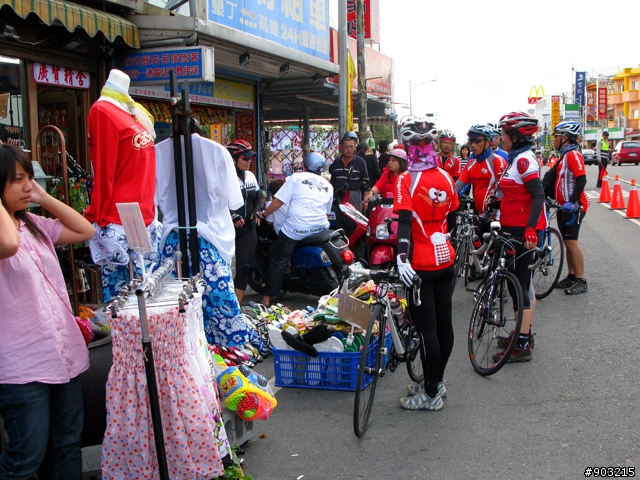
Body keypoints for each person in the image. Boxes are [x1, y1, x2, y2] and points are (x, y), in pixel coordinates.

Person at [0, 144, 96, 479]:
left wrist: (42, 196)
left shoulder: (33, 224)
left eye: (29, 177)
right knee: (26, 455)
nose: (28, 186)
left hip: (61, 354)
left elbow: (86, 230)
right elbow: (8, 246)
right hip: (21, 366)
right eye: (17, 180)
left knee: (67, 444)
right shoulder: (5, 233)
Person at [393, 117, 459, 411]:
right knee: (444, 325)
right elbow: (453, 218)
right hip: (446, 258)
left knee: (427, 330)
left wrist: (401, 258)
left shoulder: (405, 179)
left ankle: (430, 394)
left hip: (420, 265)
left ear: (409, 147)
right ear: (432, 145)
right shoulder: (446, 177)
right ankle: (437, 381)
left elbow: (404, 224)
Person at [83, 69, 160, 302]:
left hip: (143, 214)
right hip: (117, 216)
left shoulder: (131, 110)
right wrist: (97, 213)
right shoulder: (102, 111)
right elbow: (104, 168)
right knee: (122, 298)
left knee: (147, 295)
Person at [493, 111, 546, 363]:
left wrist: (530, 230)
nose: (501, 139)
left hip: (522, 231)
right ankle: (523, 332)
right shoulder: (516, 159)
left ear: (515, 136)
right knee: (525, 284)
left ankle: (522, 344)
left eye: (504, 135)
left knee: (519, 286)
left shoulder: (524, 161)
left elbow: (538, 196)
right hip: (513, 227)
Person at [258, 152, 333, 307]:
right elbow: (327, 210)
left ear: (304, 165)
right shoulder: (328, 185)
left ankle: (267, 298)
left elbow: (278, 201)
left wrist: (263, 214)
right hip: (321, 227)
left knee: (278, 260)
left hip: (296, 229)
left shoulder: (296, 178)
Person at [552, 121, 589, 295]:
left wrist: (572, 202)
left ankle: (581, 280)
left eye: (556, 136)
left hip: (574, 207)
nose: (553, 140)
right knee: (568, 242)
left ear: (565, 138)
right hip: (563, 206)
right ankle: (572, 275)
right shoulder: (564, 155)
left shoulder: (573, 155)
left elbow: (581, 179)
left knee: (572, 243)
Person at [228, 139, 262, 304]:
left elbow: (258, 198)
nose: (249, 162)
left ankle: (237, 308)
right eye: (245, 159)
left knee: (243, 268)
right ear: (234, 159)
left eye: (250, 158)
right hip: (226, 230)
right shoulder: (224, 177)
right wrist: (232, 214)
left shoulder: (250, 176)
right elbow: (216, 202)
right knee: (224, 270)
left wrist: (257, 211)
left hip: (248, 229)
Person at [456, 125, 508, 227]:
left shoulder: (497, 161)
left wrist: (492, 211)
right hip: (479, 216)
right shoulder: (471, 164)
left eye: (477, 141)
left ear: (488, 142)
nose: (473, 145)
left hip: (497, 217)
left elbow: (503, 189)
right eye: (471, 141)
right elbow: (457, 187)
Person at [329, 132, 370, 213]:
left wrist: (365, 201)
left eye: (351, 147)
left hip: (354, 196)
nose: (349, 149)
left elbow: (365, 183)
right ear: (341, 147)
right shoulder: (336, 162)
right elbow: (332, 182)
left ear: (355, 147)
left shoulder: (360, 162)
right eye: (346, 147)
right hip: (338, 197)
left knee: (354, 222)